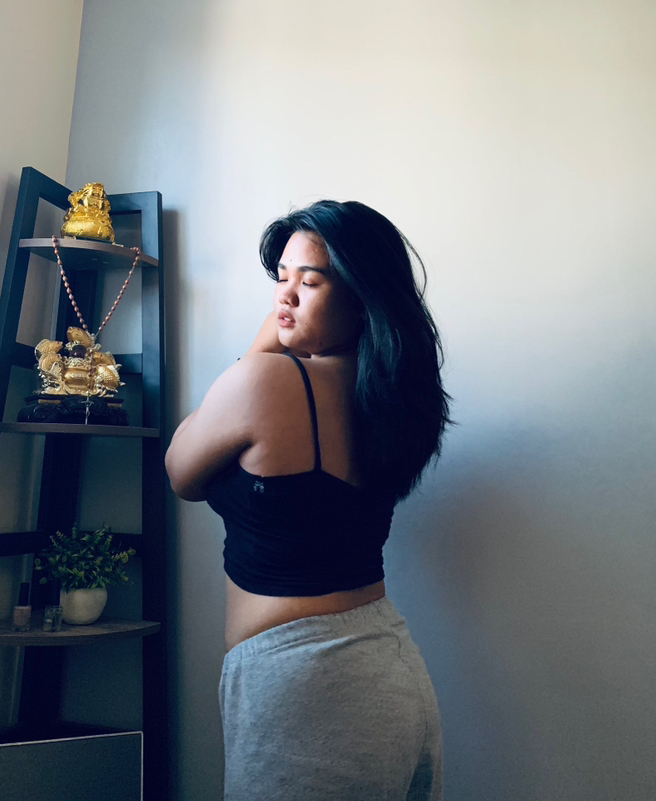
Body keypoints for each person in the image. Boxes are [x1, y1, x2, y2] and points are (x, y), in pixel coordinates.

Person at [165, 199, 453, 801]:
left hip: (312, 691)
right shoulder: (388, 397)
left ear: (360, 298)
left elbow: (180, 471)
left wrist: (262, 347)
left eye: (310, 281)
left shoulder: (265, 380)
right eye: (281, 278)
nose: (285, 296)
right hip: (386, 668)